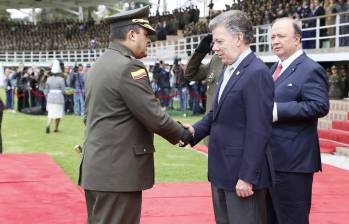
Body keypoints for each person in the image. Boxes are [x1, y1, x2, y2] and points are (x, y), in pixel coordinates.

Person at [78, 6, 193, 224]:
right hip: (117, 173)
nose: (149, 40)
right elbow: (153, 115)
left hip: (98, 168)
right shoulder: (129, 66)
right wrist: (183, 134)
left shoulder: (99, 65)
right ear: (131, 34)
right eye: (145, 34)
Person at [184, 10, 275, 224]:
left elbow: (259, 129)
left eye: (218, 41)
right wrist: (194, 132)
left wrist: (247, 177)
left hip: (241, 178)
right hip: (222, 172)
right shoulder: (229, 70)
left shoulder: (256, 73)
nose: (214, 48)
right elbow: (216, 113)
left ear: (238, 38)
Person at [267, 17, 329, 224]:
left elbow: (320, 105)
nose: (275, 41)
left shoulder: (310, 69)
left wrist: (278, 111)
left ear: (297, 39)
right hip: (270, 160)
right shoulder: (273, 69)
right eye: (273, 36)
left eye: (281, 36)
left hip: (293, 162)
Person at [44, 59, 66, 133]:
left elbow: (46, 90)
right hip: (59, 97)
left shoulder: (48, 79)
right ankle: (56, 128)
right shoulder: (61, 79)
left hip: (50, 97)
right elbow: (63, 90)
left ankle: (48, 124)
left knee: (51, 113)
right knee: (58, 114)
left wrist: (47, 96)